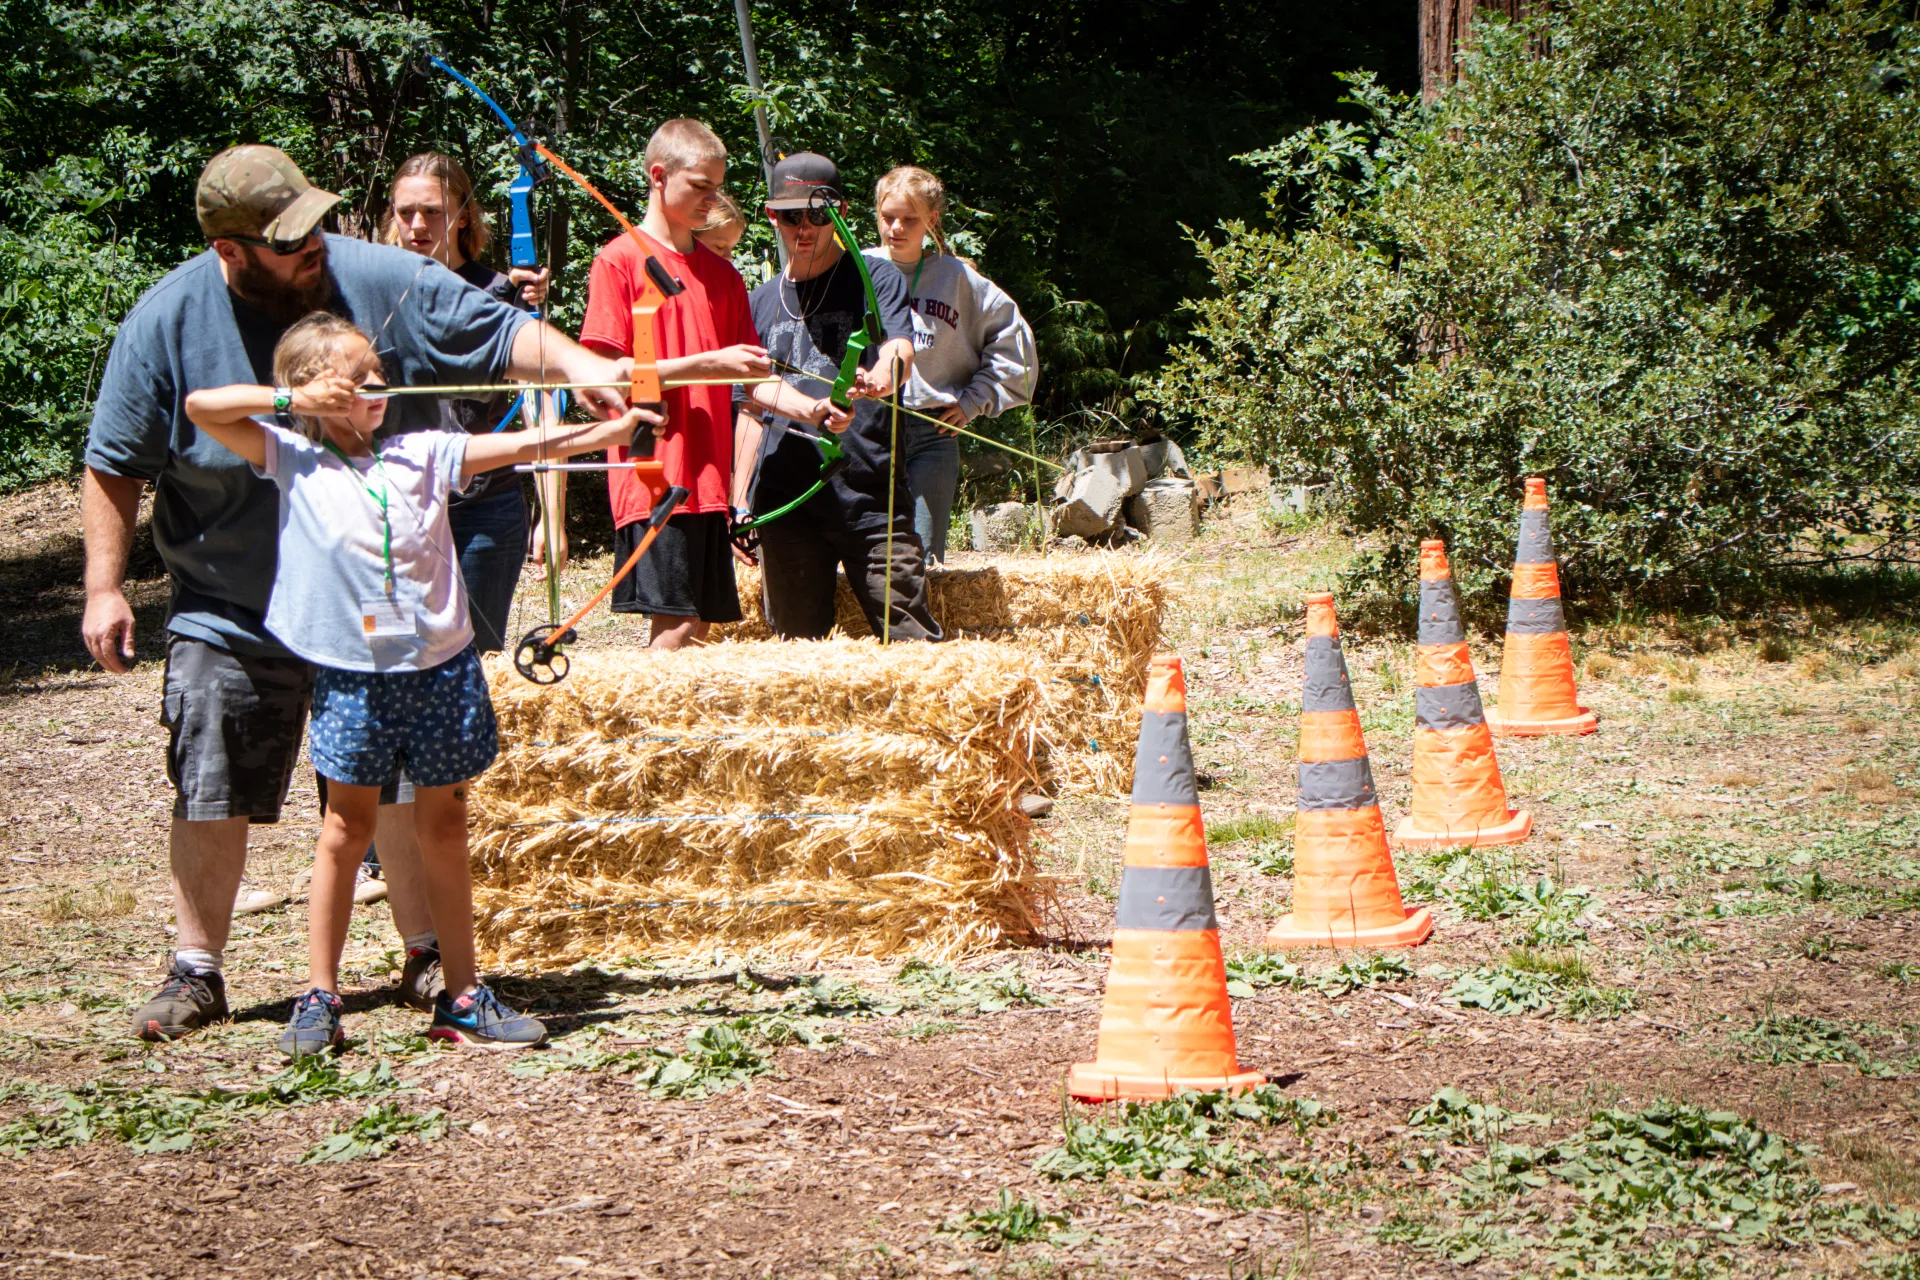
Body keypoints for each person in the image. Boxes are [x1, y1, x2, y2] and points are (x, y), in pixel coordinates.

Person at [82, 145, 639, 1041]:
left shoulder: (382, 276)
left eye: (315, 226)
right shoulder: (170, 319)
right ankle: (199, 971)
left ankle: (429, 959)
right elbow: (117, 458)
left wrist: (579, 370)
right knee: (214, 768)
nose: (316, 250)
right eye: (288, 242)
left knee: (403, 796)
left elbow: (498, 334)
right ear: (232, 253)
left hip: (383, 626)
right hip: (232, 599)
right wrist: (103, 586)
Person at [183, 314, 646, 1054]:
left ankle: (463, 995)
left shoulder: (421, 452)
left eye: (377, 377)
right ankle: (320, 995)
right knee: (345, 830)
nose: (374, 390)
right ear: (309, 389)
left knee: (445, 824)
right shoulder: (291, 455)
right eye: (355, 379)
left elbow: (527, 443)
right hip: (355, 675)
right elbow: (203, 408)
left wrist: (605, 433)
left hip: (441, 669)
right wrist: (291, 404)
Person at [578, 120, 831, 649]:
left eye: (717, 186)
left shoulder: (723, 277)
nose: (711, 199)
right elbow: (599, 376)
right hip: (655, 477)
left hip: (709, 483)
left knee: (701, 630)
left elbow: (750, 381)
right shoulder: (619, 259)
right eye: (699, 186)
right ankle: (646, 732)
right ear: (658, 176)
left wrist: (814, 412)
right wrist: (707, 362)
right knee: (673, 630)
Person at [745, 152, 940, 641]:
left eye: (817, 214)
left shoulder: (875, 279)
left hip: (869, 494)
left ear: (842, 214)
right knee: (800, 648)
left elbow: (899, 346)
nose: (804, 227)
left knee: (913, 641)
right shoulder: (760, 300)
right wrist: (738, 500)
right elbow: (750, 397)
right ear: (772, 216)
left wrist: (880, 377)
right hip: (786, 501)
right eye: (791, 216)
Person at [382, 151, 552, 653]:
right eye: (405, 211)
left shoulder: (499, 292)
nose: (417, 224)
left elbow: (542, 388)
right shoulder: (375, 288)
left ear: (463, 215)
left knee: (477, 655)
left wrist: (530, 309)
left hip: (485, 502)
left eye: (433, 211)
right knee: (396, 650)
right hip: (399, 502)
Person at [866, 166, 1038, 563]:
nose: (896, 228)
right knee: (868, 550)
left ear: (932, 220)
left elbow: (1015, 344)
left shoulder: (958, 278)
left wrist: (974, 400)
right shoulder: (857, 269)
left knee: (922, 558)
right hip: (869, 429)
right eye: (887, 216)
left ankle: (916, 626)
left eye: (910, 219)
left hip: (932, 433)